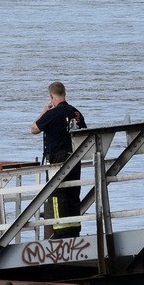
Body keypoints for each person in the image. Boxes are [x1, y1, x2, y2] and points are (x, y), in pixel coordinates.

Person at [31, 81, 87, 238]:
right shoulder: (77, 113)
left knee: (57, 194)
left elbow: (34, 129)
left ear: (50, 96)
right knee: (73, 193)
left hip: (58, 158)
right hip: (76, 156)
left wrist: (44, 111)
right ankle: (75, 230)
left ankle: (61, 231)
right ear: (65, 93)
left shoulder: (52, 114)